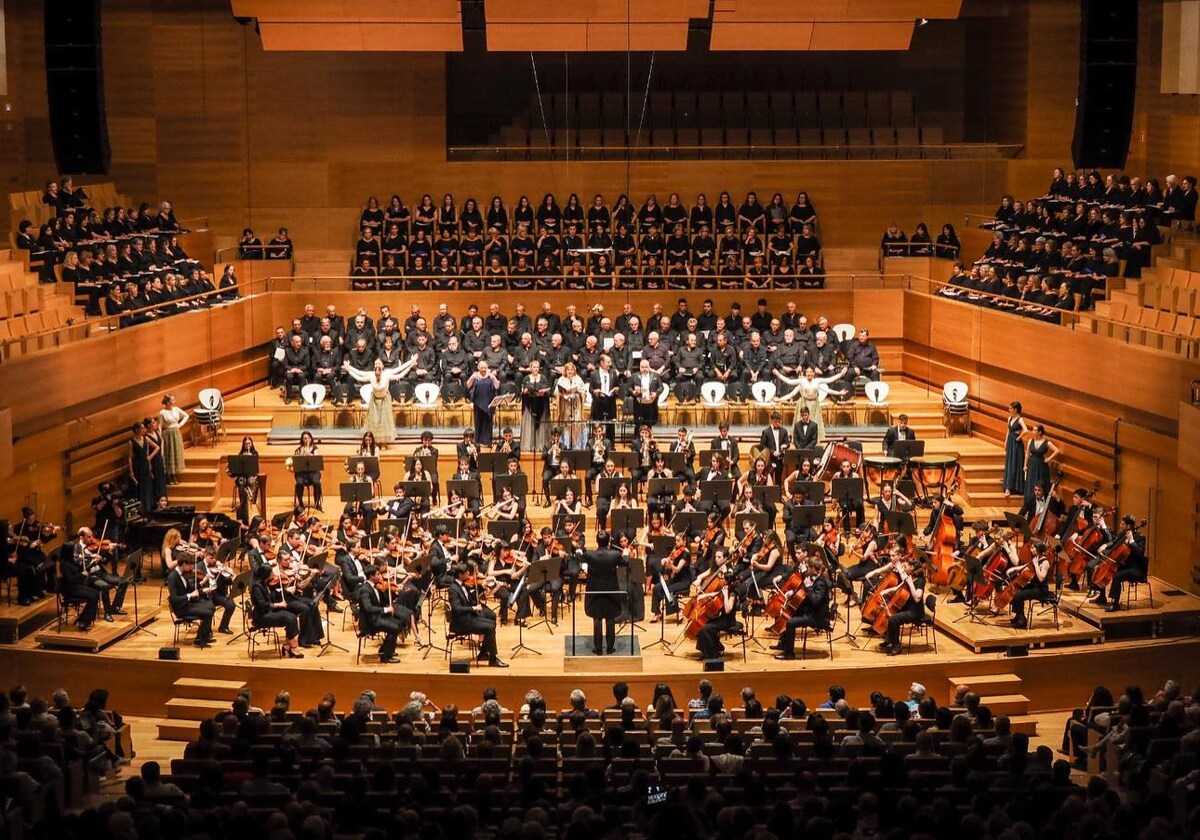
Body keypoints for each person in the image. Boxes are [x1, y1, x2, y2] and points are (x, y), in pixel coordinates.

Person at [342, 356, 415, 446]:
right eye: (376, 364)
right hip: (375, 400)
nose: (377, 365)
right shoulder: (371, 375)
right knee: (375, 420)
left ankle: (383, 442)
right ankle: (375, 441)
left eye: (379, 363)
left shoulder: (387, 374)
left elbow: (399, 372)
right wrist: (348, 368)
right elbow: (359, 375)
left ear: (383, 366)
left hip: (384, 399)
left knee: (384, 421)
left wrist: (410, 364)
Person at [773, 556, 833, 659]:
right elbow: (804, 589)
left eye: (808, 567)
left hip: (817, 617)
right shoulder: (812, 578)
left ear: (813, 569)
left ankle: (789, 654)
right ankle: (784, 644)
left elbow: (815, 601)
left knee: (790, 623)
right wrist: (793, 592)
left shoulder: (821, 583)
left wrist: (809, 587)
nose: (807, 569)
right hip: (810, 611)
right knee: (787, 613)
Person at [447, 563, 507, 667]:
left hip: (468, 618)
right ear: (460, 575)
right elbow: (457, 609)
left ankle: (484, 653)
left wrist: (482, 589)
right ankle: (493, 659)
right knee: (490, 627)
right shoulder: (453, 589)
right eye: (466, 573)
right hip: (462, 623)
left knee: (492, 623)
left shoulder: (462, 585)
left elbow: (470, 599)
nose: (469, 574)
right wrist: (473, 608)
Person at [581, 530, 626, 655]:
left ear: (597, 541)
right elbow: (625, 563)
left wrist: (579, 550)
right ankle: (610, 648)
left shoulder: (589, 555)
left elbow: (579, 557)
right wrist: (626, 554)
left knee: (597, 618)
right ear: (609, 541)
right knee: (610, 618)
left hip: (595, 592)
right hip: (611, 591)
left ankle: (598, 648)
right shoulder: (615, 555)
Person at [776, 365, 848, 441]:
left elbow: (829, 382)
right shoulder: (802, 381)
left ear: (813, 373)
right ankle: (801, 439)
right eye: (807, 372)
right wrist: (778, 375)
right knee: (802, 423)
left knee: (814, 423)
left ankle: (813, 440)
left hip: (814, 405)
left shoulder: (817, 381)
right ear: (805, 373)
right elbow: (790, 384)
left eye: (810, 372)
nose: (809, 373)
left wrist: (840, 377)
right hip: (804, 404)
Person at [357, 565, 409, 663]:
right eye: (378, 574)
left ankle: (385, 650)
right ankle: (386, 656)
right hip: (370, 621)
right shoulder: (365, 590)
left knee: (400, 621)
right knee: (394, 627)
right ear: (371, 577)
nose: (380, 576)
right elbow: (368, 608)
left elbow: (384, 600)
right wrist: (385, 610)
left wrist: (394, 590)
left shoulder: (376, 586)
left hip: (377, 617)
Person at [249, 564, 304, 658]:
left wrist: (283, 590)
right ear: (266, 574)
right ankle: (293, 647)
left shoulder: (265, 583)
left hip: (269, 611)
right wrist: (278, 604)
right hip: (262, 616)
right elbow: (262, 605)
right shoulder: (256, 587)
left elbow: (271, 597)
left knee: (293, 616)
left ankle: (287, 645)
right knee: (289, 619)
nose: (273, 574)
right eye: (271, 572)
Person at [165, 552, 216, 648]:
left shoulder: (183, 574)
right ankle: (199, 640)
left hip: (187, 604)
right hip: (181, 608)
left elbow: (189, 588)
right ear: (184, 564)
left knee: (211, 606)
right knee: (208, 613)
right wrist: (189, 595)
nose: (191, 568)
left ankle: (204, 635)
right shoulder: (173, 577)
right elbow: (174, 599)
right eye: (190, 565)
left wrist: (201, 588)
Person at [877, 558, 925, 656]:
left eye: (905, 567)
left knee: (894, 619)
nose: (904, 568)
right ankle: (889, 639)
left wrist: (911, 583)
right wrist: (886, 591)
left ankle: (896, 647)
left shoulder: (920, 580)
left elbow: (917, 598)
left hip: (915, 611)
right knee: (889, 611)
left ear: (912, 567)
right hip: (907, 606)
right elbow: (898, 587)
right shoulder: (909, 576)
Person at [520, 358, 552, 454]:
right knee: (530, 424)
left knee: (541, 424)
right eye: (534, 367)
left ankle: (540, 445)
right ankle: (529, 445)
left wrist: (543, 393)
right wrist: (525, 391)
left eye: (537, 367)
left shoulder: (543, 378)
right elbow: (522, 391)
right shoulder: (526, 378)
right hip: (529, 405)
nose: (536, 369)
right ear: (530, 368)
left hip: (541, 404)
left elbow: (547, 391)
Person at [465, 361, 501, 445]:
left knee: (488, 423)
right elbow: (468, 386)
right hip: (478, 403)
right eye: (482, 368)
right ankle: (478, 441)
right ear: (478, 368)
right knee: (478, 423)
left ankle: (487, 441)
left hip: (489, 403)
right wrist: (472, 378)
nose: (483, 369)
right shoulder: (475, 376)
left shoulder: (490, 376)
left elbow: (497, 386)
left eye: (485, 368)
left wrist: (493, 378)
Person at [1024, 425, 1062, 504]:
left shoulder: (1047, 442)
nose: (1033, 432)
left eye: (1035, 430)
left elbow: (1057, 450)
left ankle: (1040, 504)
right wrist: (1025, 465)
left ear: (1040, 432)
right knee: (1031, 483)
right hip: (1031, 465)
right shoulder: (1030, 441)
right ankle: (1029, 503)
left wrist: (1048, 459)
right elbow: (1027, 454)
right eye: (1033, 430)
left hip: (1041, 466)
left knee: (1040, 484)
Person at [554, 361, 587, 448]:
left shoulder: (578, 379)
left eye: (571, 369)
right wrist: (561, 394)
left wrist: (578, 392)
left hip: (576, 407)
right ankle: (566, 446)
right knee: (566, 427)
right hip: (565, 407)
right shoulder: (561, 379)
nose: (570, 371)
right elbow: (556, 393)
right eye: (568, 369)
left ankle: (576, 447)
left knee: (576, 425)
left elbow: (584, 392)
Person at [158, 394, 189, 485]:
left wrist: (180, 425)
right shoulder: (162, 412)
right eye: (172, 400)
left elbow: (186, 415)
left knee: (176, 452)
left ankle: (174, 474)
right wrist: (160, 437)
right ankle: (169, 476)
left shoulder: (176, 409)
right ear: (167, 402)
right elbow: (160, 425)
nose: (174, 401)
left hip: (176, 433)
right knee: (169, 453)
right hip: (167, 434)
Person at [292, 431, 323, 511]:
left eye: (308, 438)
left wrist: (310, 454)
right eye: (305, 438)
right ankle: (301, 503)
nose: (307, 440)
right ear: (302, 440)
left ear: (311, 439)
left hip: (313, 472)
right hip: (301, 473)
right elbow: (295, 464)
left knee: (316, 482)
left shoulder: (315, 448)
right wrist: (302, 455)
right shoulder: (298, 450)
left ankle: (317, 503)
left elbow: (317, 460)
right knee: (299, 483)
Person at [1004, 401, 1029, 497]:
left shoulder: (1020, 419)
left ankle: (1013, 487)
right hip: (1010, 442)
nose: (1009, 410)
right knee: (1009, 463)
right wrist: (1006, 441)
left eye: (1010, 408)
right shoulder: (1009, 418)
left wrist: (1019, 437)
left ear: (1016, 410)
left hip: (1016, 444)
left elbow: (1026, 430)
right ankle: (1008, 486)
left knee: (1015, 463)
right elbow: (1008, 430)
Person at [631, 358, 663, 429]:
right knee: (638, 424)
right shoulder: (634, 376)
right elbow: (628, 388)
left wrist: (656, 393)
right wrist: (633, 392)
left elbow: (661, 387)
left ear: (649, 367)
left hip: (651, 403)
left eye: (646, 367)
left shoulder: (655, 375)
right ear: (639, 367)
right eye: (642, 367)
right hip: (638, 404)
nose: (644, 369)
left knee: (649, 423)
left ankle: (649, 438)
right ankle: (637, 438)